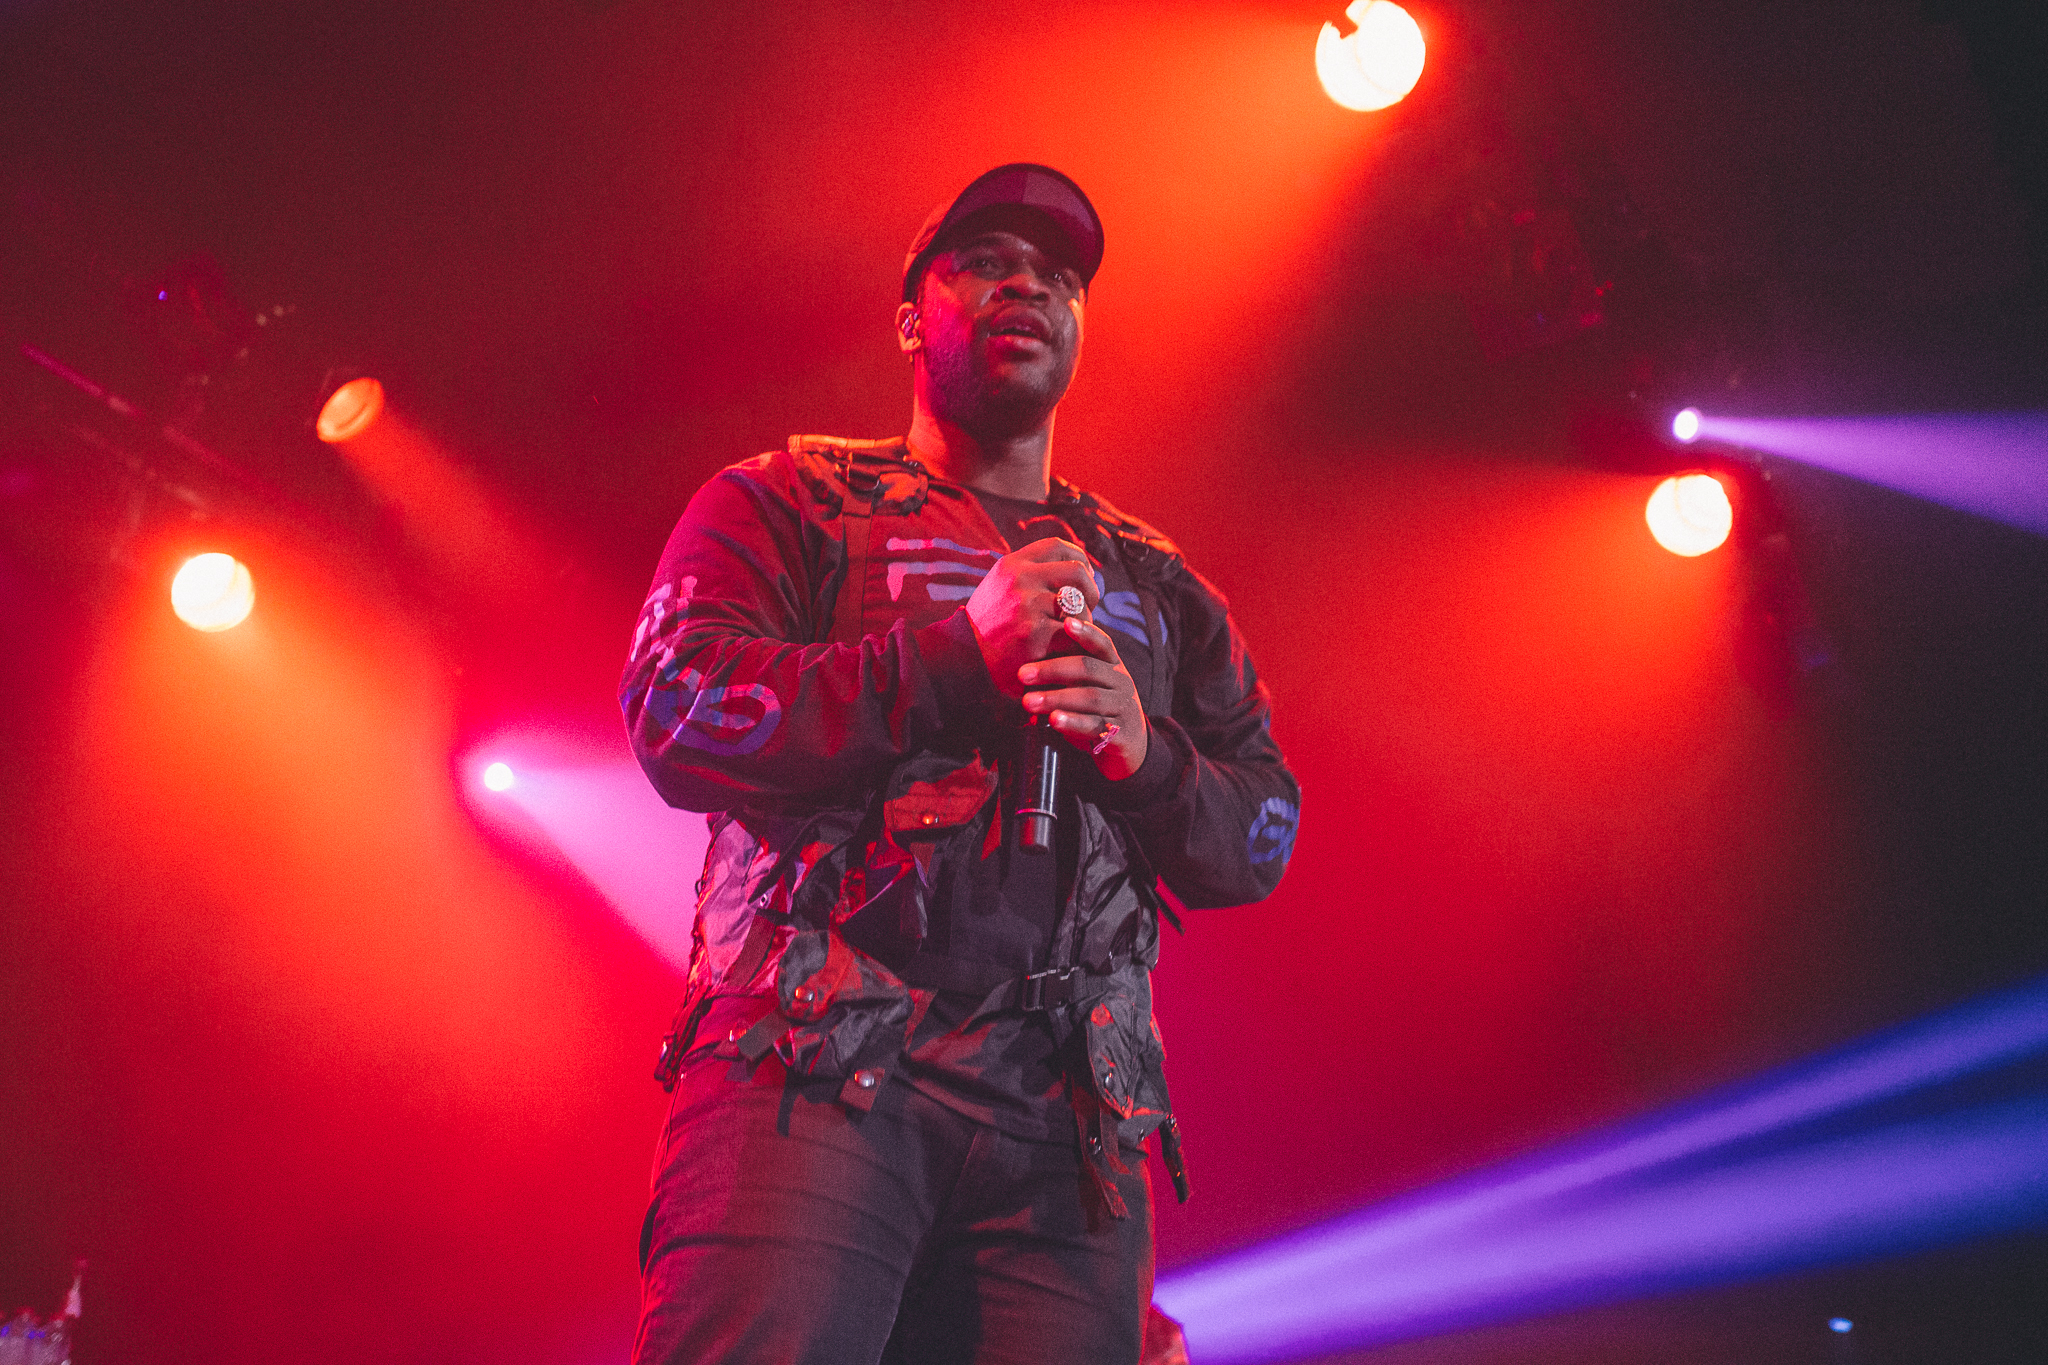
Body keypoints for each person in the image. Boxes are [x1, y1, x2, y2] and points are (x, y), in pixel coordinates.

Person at [621, 163, 1300, 1365]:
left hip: (1066, 1116)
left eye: (1056, 277)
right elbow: (675, 709)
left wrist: (1147, 761)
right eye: (985, 263)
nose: (1025, 287)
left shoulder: (1154, 581)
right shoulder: (785, 499)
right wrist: (947, 660)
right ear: (907, 319)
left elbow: (1263, 830)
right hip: (811, 1063)